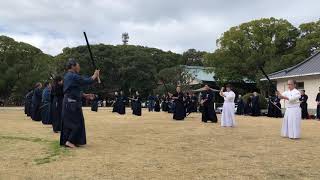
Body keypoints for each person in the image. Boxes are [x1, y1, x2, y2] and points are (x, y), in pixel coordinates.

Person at [60, 59, 100, 148]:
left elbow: (74, 89)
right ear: (73, 66)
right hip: (71, 103)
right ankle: (69, 141)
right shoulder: (72, 76)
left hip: (70, 102)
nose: (79, 67)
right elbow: (85, 81)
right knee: (76, 122)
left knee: (74, 122)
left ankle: (73, 140)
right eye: (78, 65)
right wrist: (94, 76)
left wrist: (84, 95)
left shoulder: (69, 76)